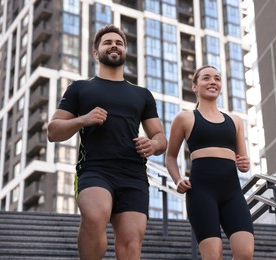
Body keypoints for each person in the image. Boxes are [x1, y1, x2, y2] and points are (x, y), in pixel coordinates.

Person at [47, 24, 167, 260]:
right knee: (94, 215)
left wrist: (153, 145)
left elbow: (161, 137)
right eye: (108, 42)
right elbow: (53, 131)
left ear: (124, 51)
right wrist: (84, 119)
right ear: (96, 53)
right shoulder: (80, 88)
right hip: (94, 169)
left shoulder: (142, 94)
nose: (114, 45)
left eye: (119, 43)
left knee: (131, 243)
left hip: (133, 174)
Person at [165, 65, 254, 260]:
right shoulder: (184, 118)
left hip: (232, 194)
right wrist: (178, 179)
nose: (212, 82)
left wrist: (245, 164)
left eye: (217, 78)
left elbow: (243, 160)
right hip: (201, 194)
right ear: (195, 86)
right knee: (213, 256)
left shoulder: (235, 121)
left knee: (245, 253)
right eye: (206, 78)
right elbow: (170, 157)